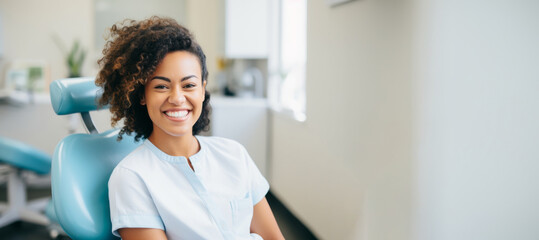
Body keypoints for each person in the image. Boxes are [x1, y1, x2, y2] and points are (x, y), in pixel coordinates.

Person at [95, 16, 284, 240]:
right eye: (161, 86)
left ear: (202, 91)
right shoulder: (132, 178)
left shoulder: (234, 154)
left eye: (189, 85)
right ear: (142, 95)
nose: (177, 98)